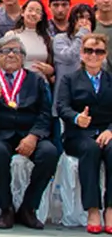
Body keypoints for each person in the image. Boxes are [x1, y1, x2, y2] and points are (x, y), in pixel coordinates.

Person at [0, 34, 58, 230]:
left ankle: (28, 208)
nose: (11, 54)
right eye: (5, 51)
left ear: (23, 57)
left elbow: (45, 113)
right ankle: (6, 208)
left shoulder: (35, 79)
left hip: (29, 133)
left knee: (49, 153)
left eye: (16, 51)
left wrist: (34, 136)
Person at [56, 34, 112, 234]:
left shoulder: (110, 79)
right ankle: (93, 209)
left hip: (106, 132)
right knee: (90, 149)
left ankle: (111, 209)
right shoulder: (69, 79)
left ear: (105, 55)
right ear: (81, 54)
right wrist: (76, 117)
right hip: (78, 134)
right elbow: (62, 106)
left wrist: (110, 130)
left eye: (98, 51)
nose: (93, 55)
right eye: (88, 51)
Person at [54, 4, 96, 87]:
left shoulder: (95, 42)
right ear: (72, 20)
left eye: (88, 18)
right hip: (66, 88)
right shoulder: (60, 38)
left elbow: (102, 64)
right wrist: (82, 34)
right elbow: (69, 57)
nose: (84, 21)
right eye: (80, 17)